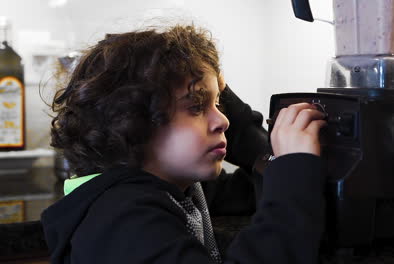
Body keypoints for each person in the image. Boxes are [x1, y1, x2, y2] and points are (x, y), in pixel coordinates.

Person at [41, 24, 327, 264]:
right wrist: (294, 176)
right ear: (131, 121)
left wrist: (287, 162)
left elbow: (250, 190)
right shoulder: (125, 220)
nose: (223, 121)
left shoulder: (178, 190)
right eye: (196, 107)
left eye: (217, 103)